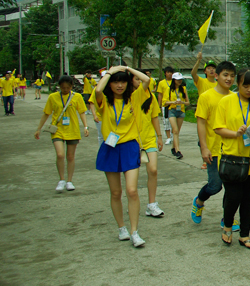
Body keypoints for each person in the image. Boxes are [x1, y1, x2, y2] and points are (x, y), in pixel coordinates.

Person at [94, 65, 151, 248]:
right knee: (116, 192)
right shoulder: (104, 101)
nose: (119, 85)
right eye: (115, 82)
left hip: (129, 147)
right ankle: (121, 228)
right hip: (110, 148)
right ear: (110, 84)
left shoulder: (134, 98)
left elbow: (146, 80)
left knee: (132, 190)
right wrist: (110, 71)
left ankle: (134, 231)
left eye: (123, 82)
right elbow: (98, 90)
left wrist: (127, 68)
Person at [213, 69, 250, 249]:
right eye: (246, 86)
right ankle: (228, 226)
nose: (249, 90)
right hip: (232, 158)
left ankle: (245, 234)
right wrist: (236, 133)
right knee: (233, 196)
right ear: (238, 84)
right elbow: (218, 128)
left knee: (248, 199)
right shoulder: (227, 101)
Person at [191, 61, 240, 232]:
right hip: (213, 149)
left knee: (231, 188)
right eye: (225, 75)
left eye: (232, 76)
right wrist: (204, 147)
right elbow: (201, 123)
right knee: (215, 185)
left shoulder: (235, 97)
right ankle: (199, 201)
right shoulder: (206, 96)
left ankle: (228, 219)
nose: (229, 79)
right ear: (216, 76)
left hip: (231, 149)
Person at [34, 74, 90, 191]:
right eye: (63, 87)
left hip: (72, 129)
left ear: (71, 87)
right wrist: (39, 128)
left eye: (68, 88)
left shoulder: (77, 97)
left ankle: (69, 181)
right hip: (57, 129)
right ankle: (61, 179)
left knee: (70, 156)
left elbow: (82, 112)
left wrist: (85, 126)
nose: (65, 90)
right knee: (60, 154)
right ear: (59, 86)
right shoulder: (53, 97)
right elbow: (46, 113)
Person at [131, 75, 165, 218]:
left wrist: (159, 136)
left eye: (141, 79)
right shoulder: (129, 96)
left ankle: (152, 204)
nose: (140, 82)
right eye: (136, 79)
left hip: (149, 139)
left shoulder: (150, 97)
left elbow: (154, 117)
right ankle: (132, 202)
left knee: (153, 170)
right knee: (132, 175)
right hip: (131, 140)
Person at [164, 72, 189, 159]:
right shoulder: (169, 89)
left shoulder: (183, 89)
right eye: (178, 80)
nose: (179, 81)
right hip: (172, 110)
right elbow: (164, 102)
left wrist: (182, 102)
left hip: (181, 111)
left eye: (180, 79)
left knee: (177, 131)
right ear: (174, 80)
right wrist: (173, 102)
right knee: (175, 130)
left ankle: (173, 148)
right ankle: (178, 150)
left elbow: (188, 102)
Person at [157, 66, 174, 145]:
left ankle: (173, 135)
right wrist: (159, 105)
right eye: (168, 72)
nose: (170, 74)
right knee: (166, 121)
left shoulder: (175, 82)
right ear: (165, 73)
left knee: (174, 122)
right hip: (165, 104)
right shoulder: (161, 83)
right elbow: (160, 94)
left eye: (171, 72)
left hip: (174, 104)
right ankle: (168, 137)